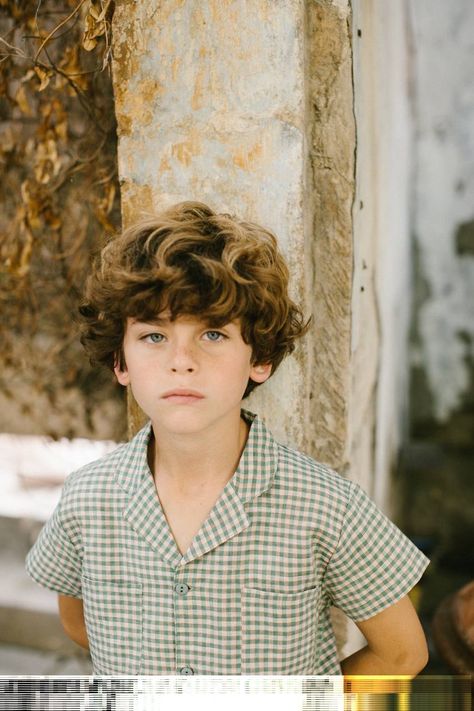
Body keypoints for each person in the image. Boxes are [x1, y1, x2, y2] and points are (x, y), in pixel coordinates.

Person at [26, 201, 429, 676]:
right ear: (121, 362)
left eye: (213, 334)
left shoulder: (326, 506)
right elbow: (79, 621)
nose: (182, 360)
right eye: (154, 336)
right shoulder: (86, 499)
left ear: (259, 358)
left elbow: (402, 653)